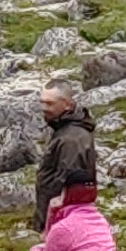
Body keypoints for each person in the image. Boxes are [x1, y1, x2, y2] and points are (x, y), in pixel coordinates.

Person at [30, 81, 100, 224]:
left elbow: (67, 186)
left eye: (50, 103)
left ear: (67, 104)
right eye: (42, 102)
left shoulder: (71, 140)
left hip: (60, 219)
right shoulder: (64, 130)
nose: (44, 108)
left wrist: (50, 221)